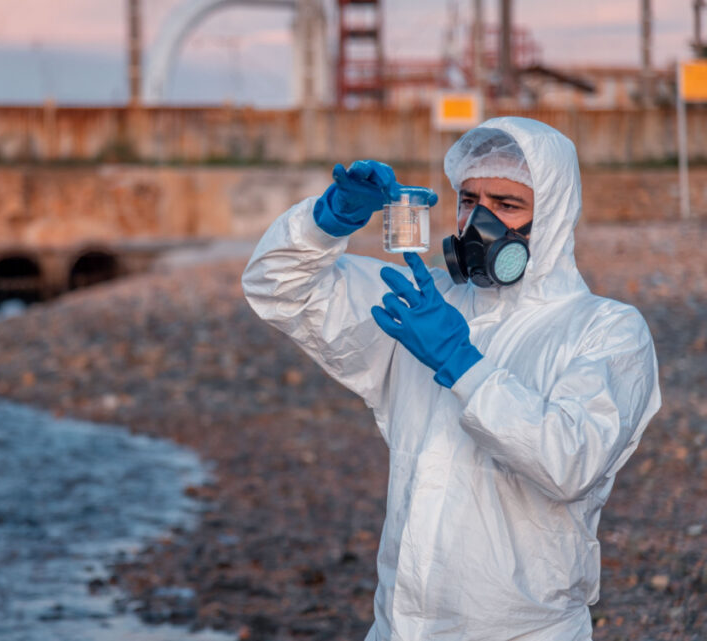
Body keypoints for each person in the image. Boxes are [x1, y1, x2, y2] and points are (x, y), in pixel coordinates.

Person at [241, 117, 661, 640]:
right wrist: (327, 222)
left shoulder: (605, 330)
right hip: (400, 625)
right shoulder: (421, 306)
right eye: (469, 199)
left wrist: (464, 364)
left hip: (522, 630)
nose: (477, 220)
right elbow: (277, 289)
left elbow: (570, 463)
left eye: (507, 205)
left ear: (551, 219)